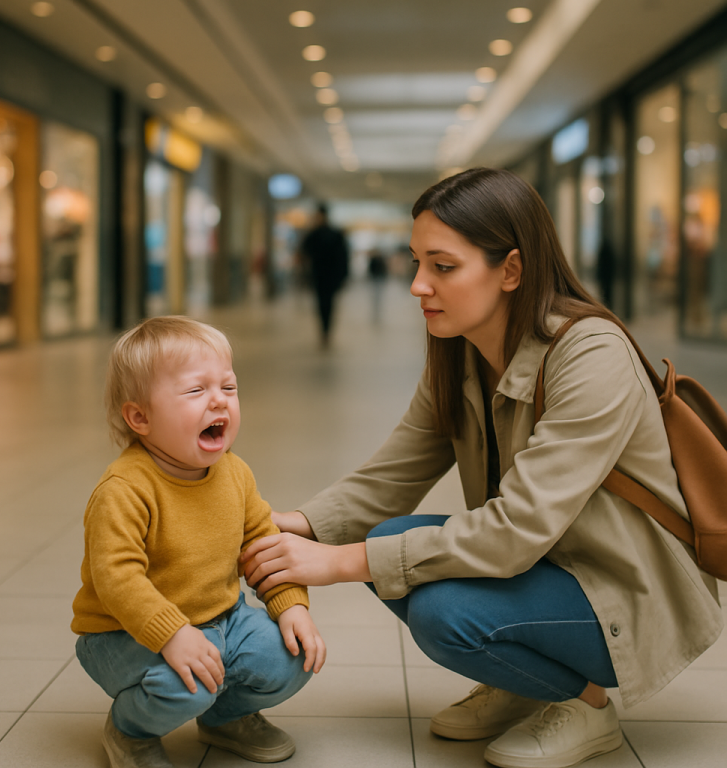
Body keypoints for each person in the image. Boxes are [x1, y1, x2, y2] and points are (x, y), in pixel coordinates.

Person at [241, 168, 723, 768]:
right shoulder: (460, 349)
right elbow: (394, 472)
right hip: (553, 563)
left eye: (443, 267)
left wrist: (336, 563)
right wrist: (300, 526)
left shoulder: (590, 353)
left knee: (444, 612)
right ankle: (524, 680)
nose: (418, 285)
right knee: (388, 540)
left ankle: (586, 704)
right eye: (417, 262)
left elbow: (517, 528)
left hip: (627, 589)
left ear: (511, 270)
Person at [71, 316, 326, 768]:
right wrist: (172, 634)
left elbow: (262, 542)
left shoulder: (235, 472)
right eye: (195, 391)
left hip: (221, 619)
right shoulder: (124, 489)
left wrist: (291, 605)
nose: (218, 402)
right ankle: (129, 730)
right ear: (140, 417)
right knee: (185, 682)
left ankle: (225, 718)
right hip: (121, 634)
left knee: (292, 655)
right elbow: (117, 578)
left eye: (228, 388)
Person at [299, 203, 349, 347]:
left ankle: (326, 332)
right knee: (323, 305)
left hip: (327, 276)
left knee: (327, 304)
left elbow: (343, 257)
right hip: (321, 276)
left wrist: (343, 275)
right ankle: (325, 331)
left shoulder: (327, 234)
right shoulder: (319, 234)